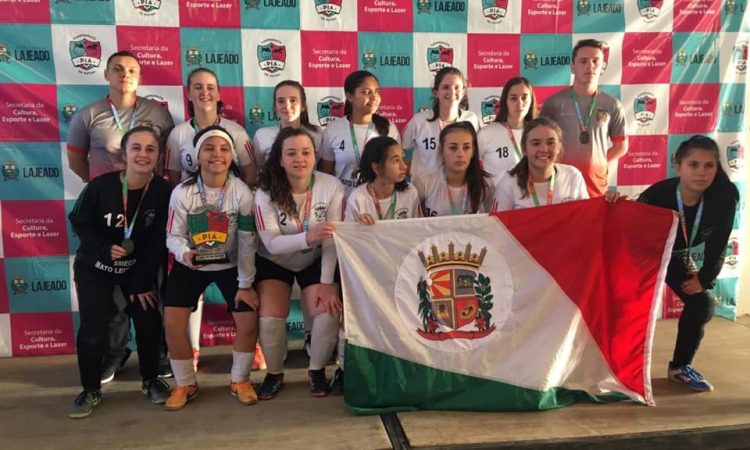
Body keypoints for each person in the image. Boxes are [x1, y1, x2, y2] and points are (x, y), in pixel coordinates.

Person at [66, 50, 175, 384]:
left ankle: (155, 359)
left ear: (139, 77)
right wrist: (103, 188)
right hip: (106, 208)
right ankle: (114, 354)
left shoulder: (157, 113)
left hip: (146, 208)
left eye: (131, 70)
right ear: (107, 74)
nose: (124, 75)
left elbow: (164, 158)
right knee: (110, 297)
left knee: (148, 286)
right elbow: (75, 161)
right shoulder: (88, 115)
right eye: (117, 69)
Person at [67, 126, 172, 419]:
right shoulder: (100, 186)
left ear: (158, 155)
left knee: (149, 321)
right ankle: (90, 389)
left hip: (137, 271)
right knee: (93, 329)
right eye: (136, 148)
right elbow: (79, 221)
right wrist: (103, 247)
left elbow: (158, 242)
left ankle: (150, 380)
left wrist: (141, 281)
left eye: (150, 149)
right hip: (96, 269)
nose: (143, 154)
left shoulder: (164, 192)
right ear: (124, 154)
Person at [165, 67, 258, 372]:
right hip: (194, 247)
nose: (204, 92)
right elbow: (174, 178)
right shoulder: (178, 136)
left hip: (230, 250)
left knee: (246, 313)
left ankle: (242, 372)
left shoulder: (238, 135)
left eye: (210, 87)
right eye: (197, 87)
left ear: (219, 94)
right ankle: (186, 368)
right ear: (188, 93)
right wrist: (184, 251)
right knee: (177, 313)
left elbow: (250, 174)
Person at [163, 126, 259, 410]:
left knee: (248, 319)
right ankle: (185, 383)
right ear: (197, 155)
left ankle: (240, 380)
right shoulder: (182, 192)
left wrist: (245, 283)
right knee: (172, 322)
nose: (217, 154)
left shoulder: (242, 193)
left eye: (224, 149)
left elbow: (247, 241)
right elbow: (172, 236)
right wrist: (184, 254)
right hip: (191, 265)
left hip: (232, 265)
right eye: (209, 148)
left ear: (232, 157)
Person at [634, 135, 738, 391]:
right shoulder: (658, 194)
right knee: (625, 307)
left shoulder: (724, 197)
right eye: (693, 165)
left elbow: (719, 243)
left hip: (674, 254)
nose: (701, 173)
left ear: (717, 168)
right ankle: (617, 368)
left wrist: (704, 279)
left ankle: (680, 367)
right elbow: (628, 229)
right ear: (678, 166)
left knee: (702, 304)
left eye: (708, 166)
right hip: (638, 255)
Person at [255, 127, 344, 399]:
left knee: (328, 311)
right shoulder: (265, 191)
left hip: (316, 258)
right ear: (280, 159)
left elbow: (331, 240)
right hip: (274, 260)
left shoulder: (331, 186)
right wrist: (309, 236)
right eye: (291, 153)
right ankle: (274, 373)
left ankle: (316, 371)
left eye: (306, 152)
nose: (299, 159)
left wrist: (328, 283)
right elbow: (271, 243)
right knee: (270, 319)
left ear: (315, 156)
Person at [540, 39, 627, 198]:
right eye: (583, 61)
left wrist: (598, 164)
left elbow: (621, 146)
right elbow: (541, 144)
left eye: (595, 61)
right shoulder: (554, 104)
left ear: (602, 66)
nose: (590, 65)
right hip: (561, 183)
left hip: (596, 185)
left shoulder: (612, 104)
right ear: (572, 67)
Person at [320, 70, 401, 196]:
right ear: (350, 96)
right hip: (342, 204)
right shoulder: (333, 129)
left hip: (379, 205)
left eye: (377, 92)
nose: (374, 97)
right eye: (366, 92)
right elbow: (326, 173)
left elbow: (397, 171)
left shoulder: (389, 129)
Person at [493, 117, 588, 211]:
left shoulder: (573, 176)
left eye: (550, 143)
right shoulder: (507, 185)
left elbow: (587, 216)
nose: (544, 149)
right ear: (524, 148)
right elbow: (496, 224)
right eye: (536, 143)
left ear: (559, 147)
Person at [402, 67, 479, 178]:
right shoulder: (419, 121)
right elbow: (397, 150)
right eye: (445, 87)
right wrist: (413, 172)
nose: (452, 92)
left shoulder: (471, 120)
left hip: (460, 188)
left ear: (463, 92)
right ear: (435, 92)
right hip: (424, 191)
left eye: (457, 87)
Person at [413, 122, 494, 217]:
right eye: (453, 148)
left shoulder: (485, 184)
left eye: (466, 147)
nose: (460, 154)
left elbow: (489, 221)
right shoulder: (424, 183)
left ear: (473, 151)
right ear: (441, 150)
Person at [345, 136, 421, 224]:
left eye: (403, 158)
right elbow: (348, 235)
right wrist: (358, 226)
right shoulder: (357, 198)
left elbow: (418, 231)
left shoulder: (410, 192)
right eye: (396, 161)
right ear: (376, 168)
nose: (404, 166)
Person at [252, 80, 323, 169]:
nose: (287, 106)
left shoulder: (317, 134)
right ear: (275, 107)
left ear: (303, 106)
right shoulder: (262, 136)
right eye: (281, 101)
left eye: (293, 100)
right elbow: (259, 167)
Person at [478, 77, 537, 178]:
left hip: (532, 193)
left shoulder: (538, 133)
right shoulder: (487, 133)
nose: (519, 103)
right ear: (505, 101)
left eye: (524, 98)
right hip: (496, 193)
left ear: (531, 101)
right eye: (513, 98)